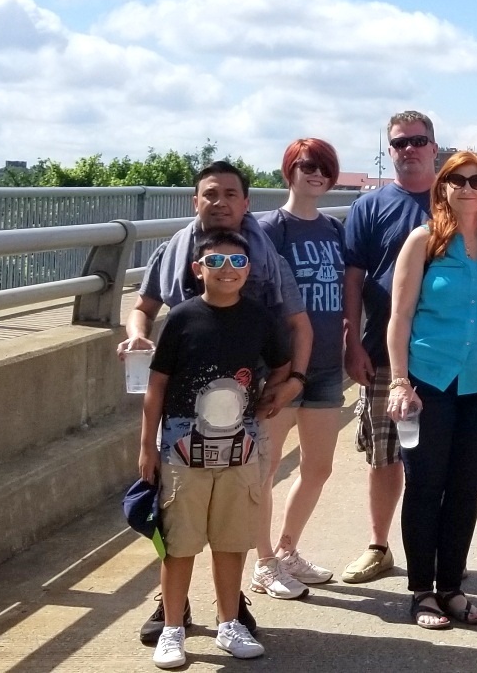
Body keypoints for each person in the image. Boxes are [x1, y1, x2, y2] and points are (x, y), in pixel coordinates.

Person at [122, 160, 305, 642]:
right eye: (210, 194)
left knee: (232, 520)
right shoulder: (172, 255)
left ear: (246, 203)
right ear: (195, 202)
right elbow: (142, 308)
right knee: (178, 522)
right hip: (183, 418)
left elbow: (294, 325)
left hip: (244, 416)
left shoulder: (266, 259)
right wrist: (140, 338)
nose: (219, 202)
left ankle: (230, 607)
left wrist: (293, 381)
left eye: (230, 194)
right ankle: (172, 608)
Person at [138, 230, 292, 668]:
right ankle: (173, 628)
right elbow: (157, 386)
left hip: (240, 448)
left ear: (250, 271)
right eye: (217, 263)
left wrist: (276, 394)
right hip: (181, 449)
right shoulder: (183, 319)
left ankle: (229, 623)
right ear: (198, 270)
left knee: (232, 539)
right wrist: (147, 447)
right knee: (179, 542)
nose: (228, 271)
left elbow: (282, 363)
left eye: (238, 264)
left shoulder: (259, 318)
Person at [385, 150, 477, 630]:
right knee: (426, 487)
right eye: (457, 180)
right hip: (429, 382)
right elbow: (399, 316)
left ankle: (452, 589)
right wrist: (399, 381)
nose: (467, 188)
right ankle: (422, 591)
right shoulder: (422, 241)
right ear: (442, 187)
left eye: (476, 180)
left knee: (466, 489)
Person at [338, 112, 439, 584]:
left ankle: (436, 553)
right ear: (390, 149)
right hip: (381, 352)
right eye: (400, 143)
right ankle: (380, 547)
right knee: (384, 455)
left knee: (439, 460)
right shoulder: (370, 206)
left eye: (418, 141)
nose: (409, 149)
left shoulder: (457, 201)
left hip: (444, 358)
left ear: (434, 146)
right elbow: (353, 277)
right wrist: (351, 341)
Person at [248, 139, 349, 600]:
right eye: (307, 166)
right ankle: (263, 562)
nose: (316, 174)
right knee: (265, 471)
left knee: (318, 467)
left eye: (324, 168)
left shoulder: (332, 228)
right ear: (288, 170)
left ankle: (287, 550)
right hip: (283, 369)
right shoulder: (270, 228)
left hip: (326, 365)